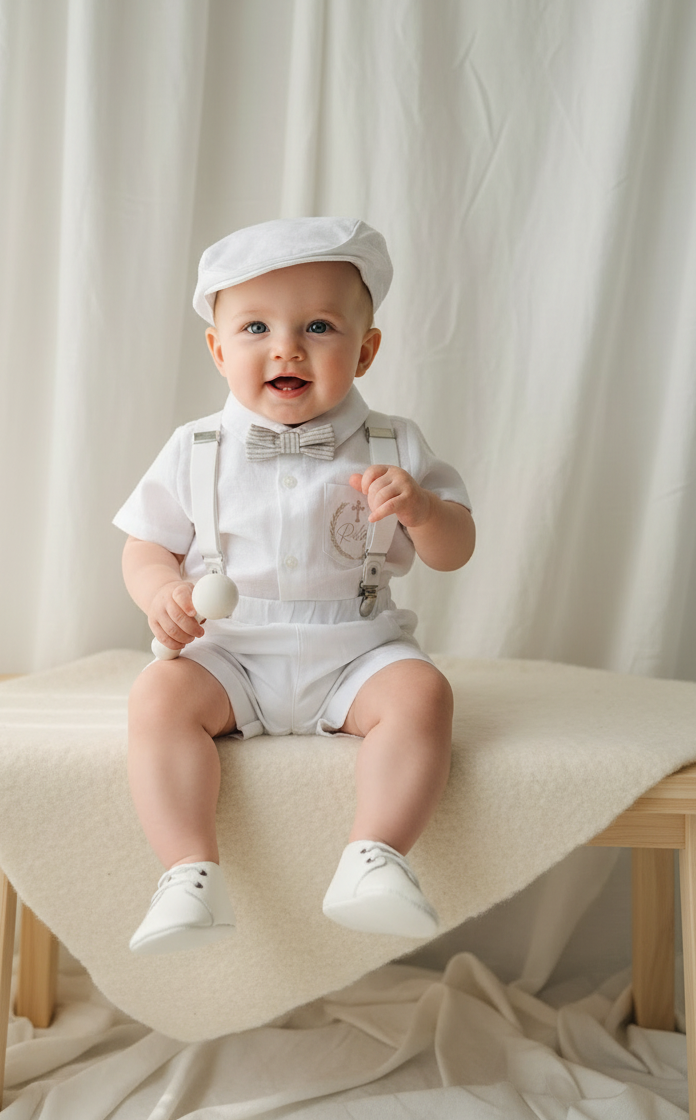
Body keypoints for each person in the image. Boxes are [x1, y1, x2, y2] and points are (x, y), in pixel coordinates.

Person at [114, 217, 475, 955]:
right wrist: (159, 593)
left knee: (423, 694)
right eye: (255, 327)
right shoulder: (195, 448)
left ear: (366, 350)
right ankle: (189, 873)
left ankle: (374, 857)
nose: (287, 348)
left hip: (357, 650)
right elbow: (146, 544)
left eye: (318, 326)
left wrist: (424, 510)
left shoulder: (395, 445)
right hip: (233, 654)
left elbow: (455, 550)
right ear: (218, 350)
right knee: (157, 695)